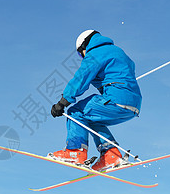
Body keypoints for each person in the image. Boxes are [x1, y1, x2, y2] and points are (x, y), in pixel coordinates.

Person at [49, 30, 142, 171]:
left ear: (85, 45)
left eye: (81, 54)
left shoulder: (96, 53)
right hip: (134, 104)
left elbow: (81, 79)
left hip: (116, 99)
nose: (82, 57)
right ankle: (111, 154)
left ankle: (75, 152)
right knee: (90, 120)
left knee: (75, 112)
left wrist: (62, 102)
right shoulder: (117, 51)